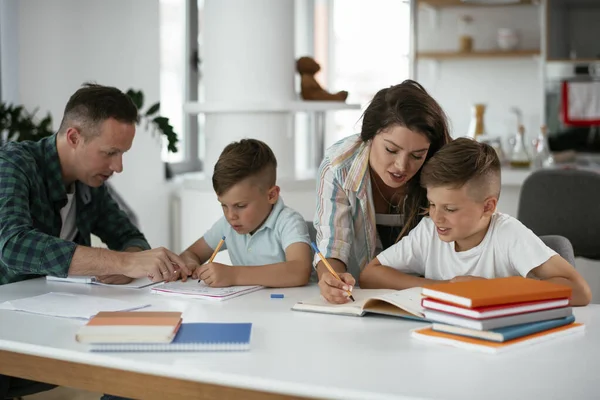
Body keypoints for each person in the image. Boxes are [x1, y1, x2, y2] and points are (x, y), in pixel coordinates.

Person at [360, 138, 592, 306]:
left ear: (488, 207)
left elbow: (581, 292)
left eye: (450, 209)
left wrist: (490, 289)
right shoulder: (430, 230)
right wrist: (444, 288)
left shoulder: (508, 234)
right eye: (432, 204)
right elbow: (370, 275)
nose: (436, 216)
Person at [0, 83, 189, 287]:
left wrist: (128, 265)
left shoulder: (89, 183)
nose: (118, 167)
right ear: (74, 138)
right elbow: (13, 245)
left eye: (122, 154)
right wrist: (123, 262)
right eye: (110, 153)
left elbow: (129, 236)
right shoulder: (12, 164)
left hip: (63, 306)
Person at [314, 80, 451, 303]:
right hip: (362, 300)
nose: (401, 166)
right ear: (369, 136)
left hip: (433, 300)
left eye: (417, 155)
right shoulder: (338, 167)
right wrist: (332, 279)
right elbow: (333, 244)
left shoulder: (443, 168)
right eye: (391, 150)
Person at [180, 138, 312, 287]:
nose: (231, 216)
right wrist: (189, 263)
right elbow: (191, 254)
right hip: (244, 307)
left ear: (271, 195)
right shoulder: (227, 226)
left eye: (240, 206)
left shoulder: (288, 222)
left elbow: (299, 271)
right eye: (224, 205)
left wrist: (233, 275)